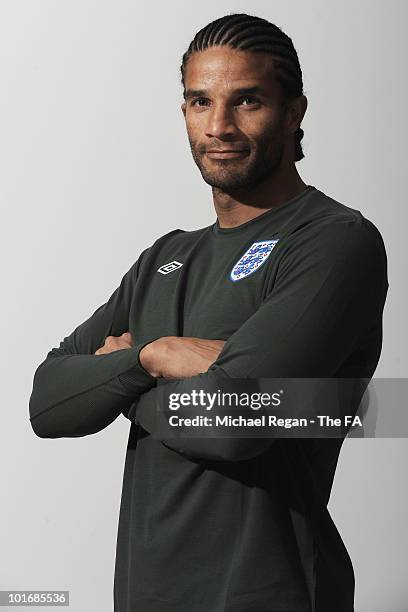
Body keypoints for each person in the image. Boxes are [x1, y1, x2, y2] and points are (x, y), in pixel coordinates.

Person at [29, 12, 388, 612]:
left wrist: (120, 382)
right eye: (201, 102)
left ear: (295, 111)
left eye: (246, 101)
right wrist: (157, 356)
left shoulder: (334, 240)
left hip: (270, 594)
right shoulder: (165, 257)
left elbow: (232, 425)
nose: (219, 126)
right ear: (185, 112)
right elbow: (47, 401)